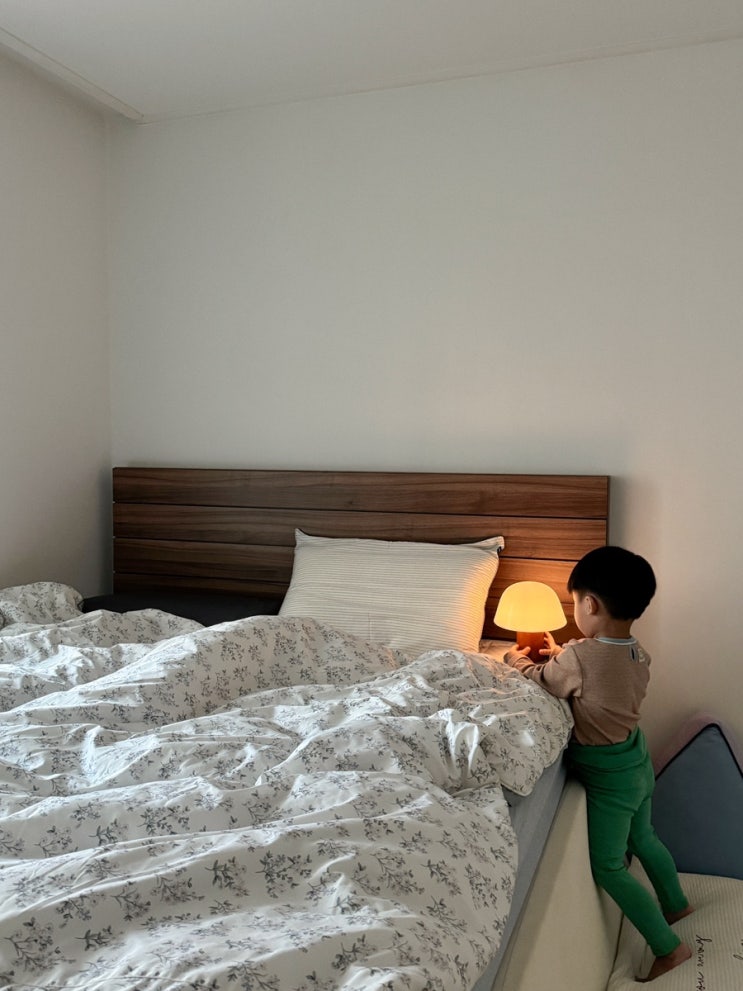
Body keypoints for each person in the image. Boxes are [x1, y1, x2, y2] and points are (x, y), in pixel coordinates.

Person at [503, 545, 692, 983]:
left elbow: (544, 679)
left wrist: (517, 659)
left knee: (608, 865)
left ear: (589, 605)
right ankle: (677, 906)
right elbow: (596, 670)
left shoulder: (580, 659)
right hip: (637, 761)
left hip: (610, 778)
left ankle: (669, 949)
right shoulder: (636, 652)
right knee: (644, 837)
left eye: (574, 604)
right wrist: (565, 650)